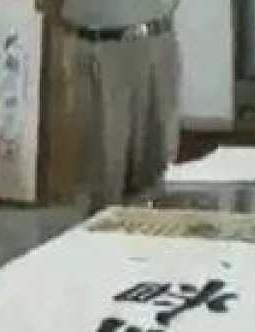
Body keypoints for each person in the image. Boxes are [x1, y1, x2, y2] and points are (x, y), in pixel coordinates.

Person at [46, 0, 183, 214]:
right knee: (103, 175)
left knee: (153, 173)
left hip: (152, 37)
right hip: (90, 40)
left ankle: (150, 230)